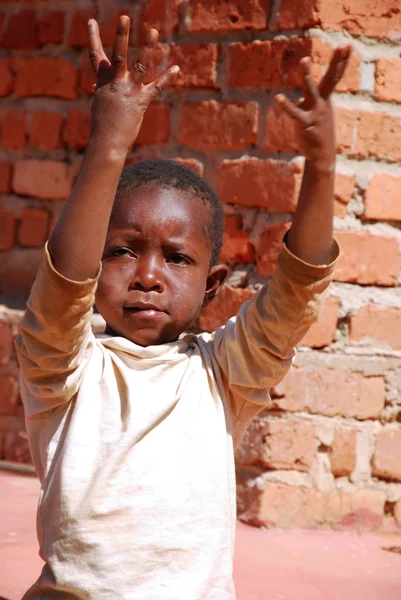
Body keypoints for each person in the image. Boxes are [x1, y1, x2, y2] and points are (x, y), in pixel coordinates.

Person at [16, 15, 351, 600]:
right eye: (121, 251)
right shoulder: (63, 370)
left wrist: (322, 168)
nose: (147, 275)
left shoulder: (222, 376)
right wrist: (110, 141)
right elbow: (64, 283)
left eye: (176, 259)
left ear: (213, 284)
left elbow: (296, 293)